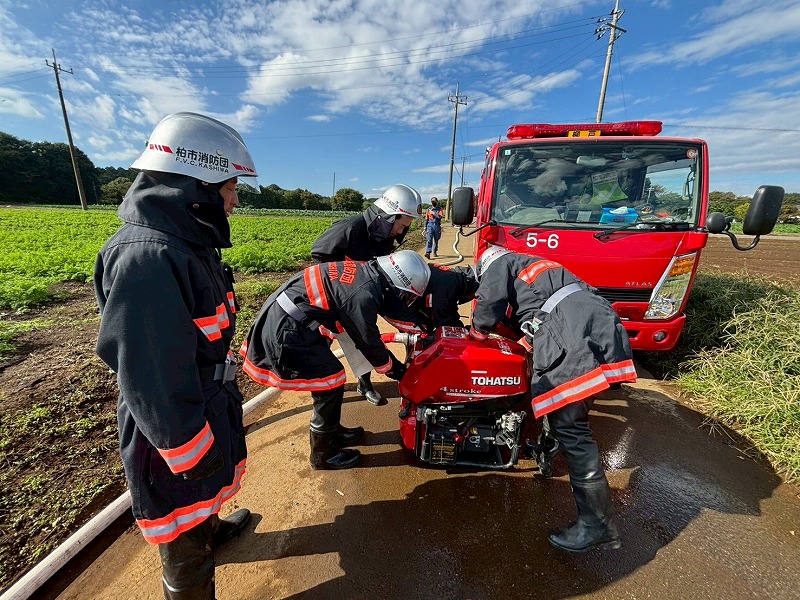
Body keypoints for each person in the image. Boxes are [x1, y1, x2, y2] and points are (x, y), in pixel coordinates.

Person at [93, 112, 255, 599]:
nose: (234, 200)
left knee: (201, 503)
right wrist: (188, 448)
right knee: (182, 535)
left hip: (202, 399)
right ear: (196, 185)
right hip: (172, 424)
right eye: (229, 187)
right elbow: (150, 376)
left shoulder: (189, 243)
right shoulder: (147, 255)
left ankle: (210, 526)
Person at [468, 245, 637, 553]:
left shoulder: (499, 263)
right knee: (566, 410)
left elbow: (487, 307)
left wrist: (475, 336)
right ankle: (548, 452)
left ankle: (597, 526)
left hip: (574, 331)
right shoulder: (544, 270)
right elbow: (540, 319)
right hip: (598, 323)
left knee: (573, 430)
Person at [240, 250, 430, 470]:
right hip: (286, 333)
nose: (402, 299)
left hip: (288, 321)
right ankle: (323, 455)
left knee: (331, 379)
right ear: (395, 284)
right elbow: (368, 341)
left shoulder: (366, 271)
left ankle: (332, 432)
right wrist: (396, 370)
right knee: (330, 380)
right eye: (404, 294)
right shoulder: (363, 294)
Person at [311, 184, 422, 405]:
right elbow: (319, 252)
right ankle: (322, 392)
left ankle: (365, 382)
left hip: (358, 297)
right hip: (328, 298)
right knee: (320, 347)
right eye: (400, 225)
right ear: (387, 216)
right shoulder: (352, 227)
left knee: (364, 334)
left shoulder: (383, 235)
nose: (400, 232)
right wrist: (343, 279)